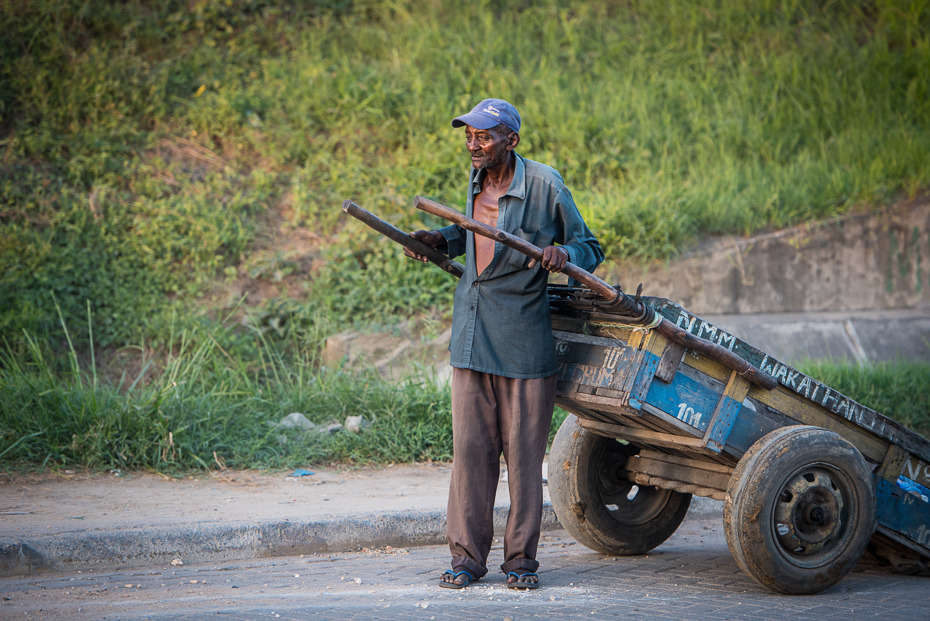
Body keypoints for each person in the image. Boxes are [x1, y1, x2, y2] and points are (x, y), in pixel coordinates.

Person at [404, 98, 604, 590]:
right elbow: (477, 235)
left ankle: (520, 563)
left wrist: (564, 252)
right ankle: (467, 559)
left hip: (522, 341)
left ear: (510, 140)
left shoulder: (544, 184)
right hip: (472, 337)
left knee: (522, 457)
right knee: (470, 454)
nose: (474, 144)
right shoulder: (476, 178)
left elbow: (591, 247)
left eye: (484, 136)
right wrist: (442, 240)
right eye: (469, 135)